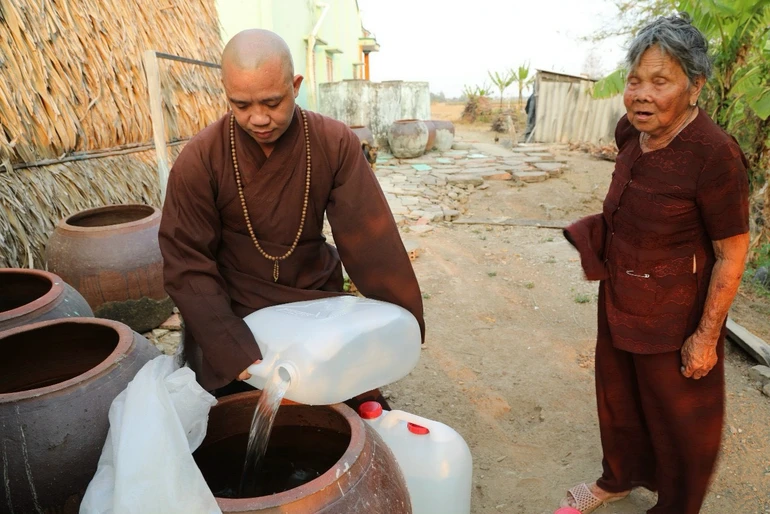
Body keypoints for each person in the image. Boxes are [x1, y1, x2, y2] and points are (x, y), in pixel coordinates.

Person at [157, 29, 425, 409]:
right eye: (241, 105)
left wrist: (402, 322)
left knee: (354, 410)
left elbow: (370, 240)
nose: (259, 118)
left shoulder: (334, 143)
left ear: (295, 85)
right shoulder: (200, 159)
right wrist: (229, 344)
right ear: (226, 93)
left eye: (271, 101)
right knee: (230, 408)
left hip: (312, 293)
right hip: (237, 302)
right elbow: (186, 262)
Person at [560, 13, 749, 514]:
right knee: (618, 394)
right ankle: (617, 478)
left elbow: (733, 251)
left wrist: (706, 337)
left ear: (695, 87)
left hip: (675, 311)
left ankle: (675, 507)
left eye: (660, 81)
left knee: (680, 418)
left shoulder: (714, 155)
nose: (641, 94)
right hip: (621, 292)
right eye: (635, 80)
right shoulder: (631, 131)